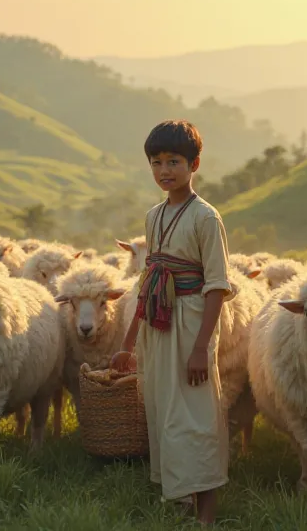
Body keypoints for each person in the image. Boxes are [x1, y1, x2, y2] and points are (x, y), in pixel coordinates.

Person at [111, 119, 233, 527]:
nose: (165, 170)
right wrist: (129, 343)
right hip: (158, 325)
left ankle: (208, 513)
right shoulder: (154, 217)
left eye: (174, 161)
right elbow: (148, 280)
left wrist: (202, 347)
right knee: (164, 411)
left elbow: (216, 286)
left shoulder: (206, 218)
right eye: (157, 162)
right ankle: (179, 499)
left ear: (194, 163)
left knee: (196, 416)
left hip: (193, 322)